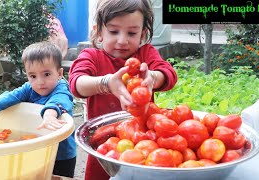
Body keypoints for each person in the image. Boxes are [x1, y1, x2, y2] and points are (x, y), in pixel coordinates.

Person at [68, 0, 178, 179]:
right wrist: (106, 83)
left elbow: (169, 74)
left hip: (141, 145)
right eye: (113, 31)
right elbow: (77, 82)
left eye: (132, 32)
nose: (122, 40)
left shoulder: (146, 55)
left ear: (142, 34)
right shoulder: (91, 56)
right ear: (98, 32)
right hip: (103, 146)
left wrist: (153, 77)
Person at [0, 41, 77, 179]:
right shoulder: (29, 88)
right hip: (36, 152)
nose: (40, 82)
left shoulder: (62, 89)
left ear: (59, 73)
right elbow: (7, 97)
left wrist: (49, 114)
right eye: (33, 76)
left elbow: (59, 101)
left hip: (61, 154)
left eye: (46, 74)